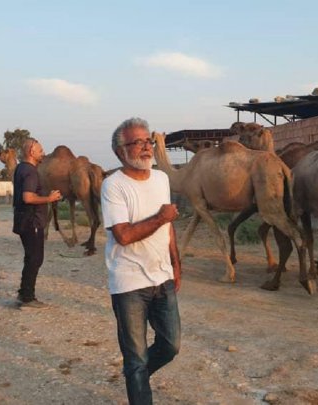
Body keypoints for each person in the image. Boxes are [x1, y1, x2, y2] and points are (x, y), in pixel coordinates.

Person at [101, 117, 181, 405]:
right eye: (138, 142)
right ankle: (137, 378)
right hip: (129, 283)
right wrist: (161, 217)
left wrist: (176, 263)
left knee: (171, 345)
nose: (147, 147)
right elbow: (122, 235)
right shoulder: (113, 186)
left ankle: (137, 375)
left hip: (163, 277)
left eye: (148, 141)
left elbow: (168, 229)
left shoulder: (161, 178)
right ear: (121, 151)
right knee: (135, 356)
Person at [12, 138, 62, 309]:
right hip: (31, 221)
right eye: (40, 150)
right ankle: (27, 297)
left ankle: (23, 292)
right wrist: (50, 198)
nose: (43, 153)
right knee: (35, 258)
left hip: (24, 220)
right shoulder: (31, 171)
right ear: (31, 152)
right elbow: (28, 197)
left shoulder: (21, 168)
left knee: (30, 257)